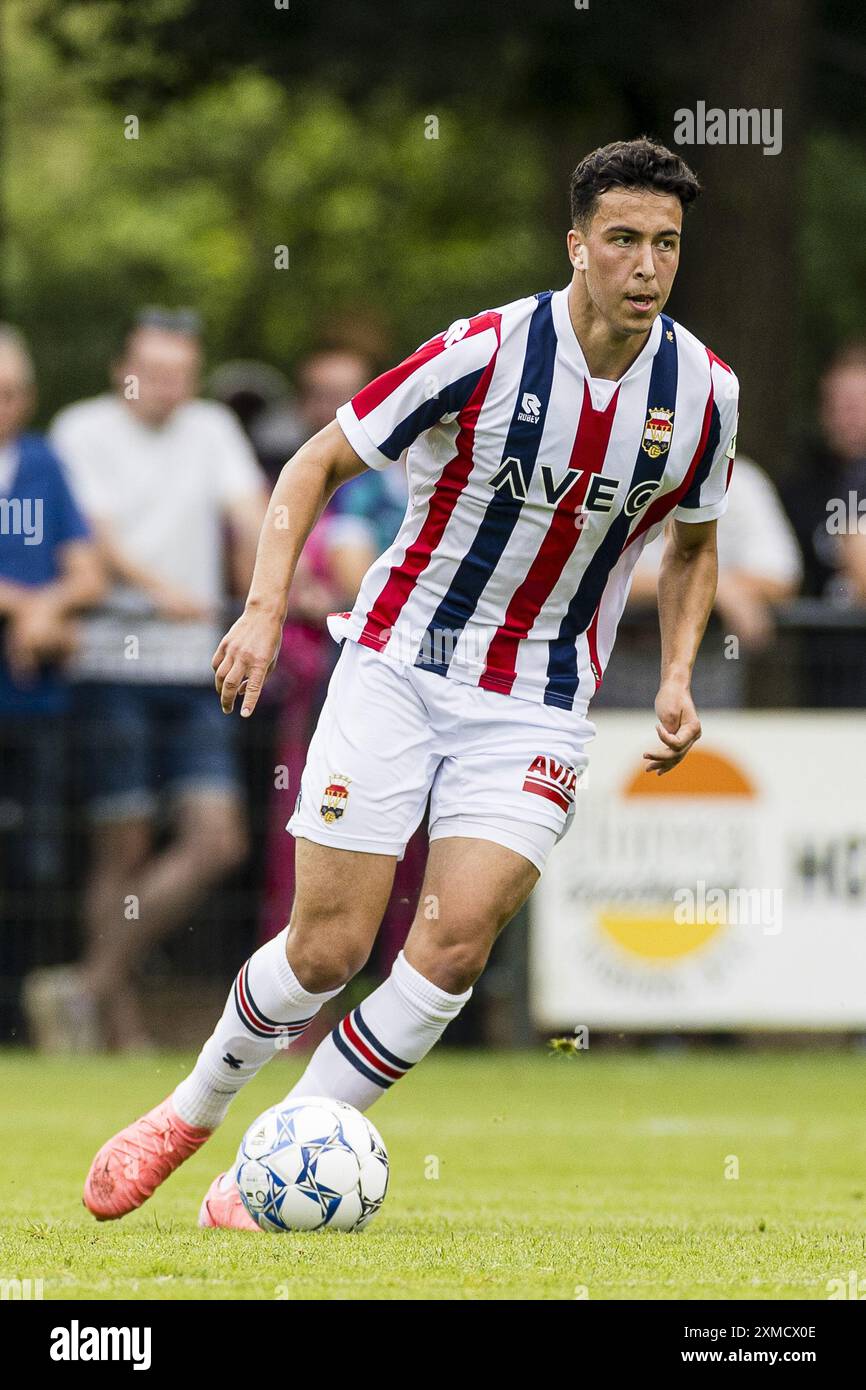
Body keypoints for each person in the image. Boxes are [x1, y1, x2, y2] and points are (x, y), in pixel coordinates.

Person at [82, 137, 740, 1227]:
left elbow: (692, 544)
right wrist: (257, 606)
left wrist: (674, 673)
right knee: (328, 947)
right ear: (575, 246)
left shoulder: (704, 393)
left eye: (664, 244)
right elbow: (314, 463)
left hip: (533, 698)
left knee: (451, 942)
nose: (644, 264)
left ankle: (261, 1175)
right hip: (396, 662)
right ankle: (189, 1110)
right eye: (621, 239)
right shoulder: (481, 351)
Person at [46, 309, 268, 1050]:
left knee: (218, 840)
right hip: (113, 662)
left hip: (195, 665)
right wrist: (164, 590)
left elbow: (251, 513)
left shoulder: (211, 428)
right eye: (156, 372)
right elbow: (93, 539)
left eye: (182, 374)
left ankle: (88, 984)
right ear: (123, 369)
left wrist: (261, 579)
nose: (170, 388)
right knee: (125, 846)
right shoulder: (82, 429)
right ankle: (116, 1020)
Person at [0, 326, 104, 1043]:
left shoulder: (43, 463)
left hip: (35, 705)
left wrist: (52, 611)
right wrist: (30, 606)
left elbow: (89, 572)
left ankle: (17, 1019)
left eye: (8, 393)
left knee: (36, 867)